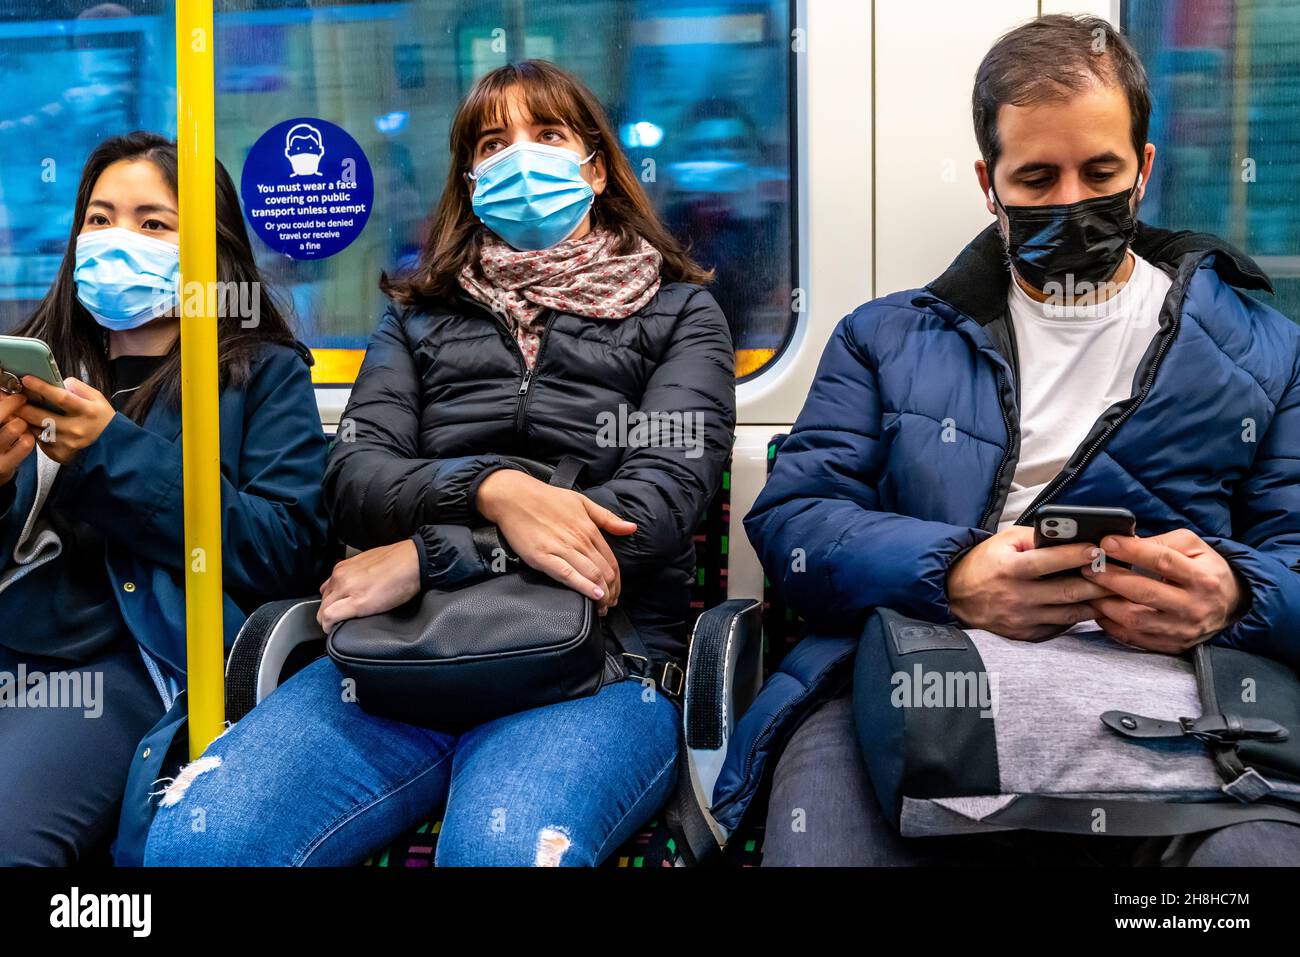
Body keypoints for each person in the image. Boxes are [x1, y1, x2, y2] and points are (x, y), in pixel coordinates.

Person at [731, 14, 1300, 866]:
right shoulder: (882, 339)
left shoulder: (1263, 350)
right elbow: (797, 522)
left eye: (1099, 171)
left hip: (1183, 692)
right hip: (913, 672)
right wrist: (953, 573)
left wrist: (1232, 595)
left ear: (1143, 169)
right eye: (1036, 177)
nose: (1072, 202)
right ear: (988, 184)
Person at [144, 59, 735, 867]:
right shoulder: (417, 315)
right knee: (197, 841)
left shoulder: (680, 313)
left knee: (498, 853)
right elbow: (354, 481)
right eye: (493, 144)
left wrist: (429, 555)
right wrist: (493, 490)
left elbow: (649, 512)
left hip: (597, 663)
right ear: (469, 176)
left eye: (548, 134)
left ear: (595, 168)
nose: (519, 156)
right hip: (396, 659)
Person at [0, 131, 331, 865]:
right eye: (99, 218)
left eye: (153, 224)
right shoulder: (31, 365)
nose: (118, 239)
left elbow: (282, 549)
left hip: (127, 663)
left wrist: (109, 449)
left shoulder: (259, 377)